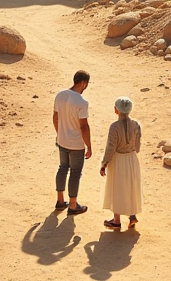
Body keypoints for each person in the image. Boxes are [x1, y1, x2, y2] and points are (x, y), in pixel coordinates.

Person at [99, 96, 142, 230]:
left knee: (117, 188)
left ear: (117, 110)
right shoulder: (136, 124)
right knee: (131, 186)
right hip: (132, 158)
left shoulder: (114, 127)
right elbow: (138, 146)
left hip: (119, 160)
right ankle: (132, 215)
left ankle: (116, 220)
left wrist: (104, 164)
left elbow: (110, 147)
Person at [53, 70, 92, 215]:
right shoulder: (82, 102)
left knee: (62, 167)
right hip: (76, 144)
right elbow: (83, 126)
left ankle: (60, 200)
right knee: (75, 172)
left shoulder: (60, 95)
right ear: (83, 83)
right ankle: (73, 204)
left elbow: (55, 117)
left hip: (62, 140)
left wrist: (60, 134)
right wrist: (89, 145)